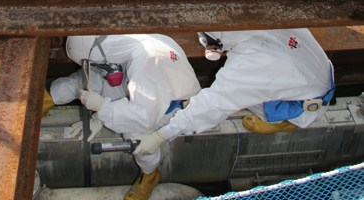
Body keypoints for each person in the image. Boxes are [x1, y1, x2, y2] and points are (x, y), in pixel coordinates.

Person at [49, 34, 201, 200]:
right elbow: (98, 77)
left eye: (94, 61)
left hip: (169, 111)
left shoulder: (147, 64)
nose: (96, 65)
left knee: (135, 135)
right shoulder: (128, 44)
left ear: (97, 53)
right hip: (155, 93)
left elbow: (142, 118)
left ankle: (149, 174)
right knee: (97, 78)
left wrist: (101, 108)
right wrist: (100, 117)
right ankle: (47, 98)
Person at [133, 29, 335, 158]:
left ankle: (284, 122)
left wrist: (161, 136)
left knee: (235, 97)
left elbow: (213, 106)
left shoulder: (249, 67)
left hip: (303, 105)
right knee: (239, 90)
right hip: (316, 72)